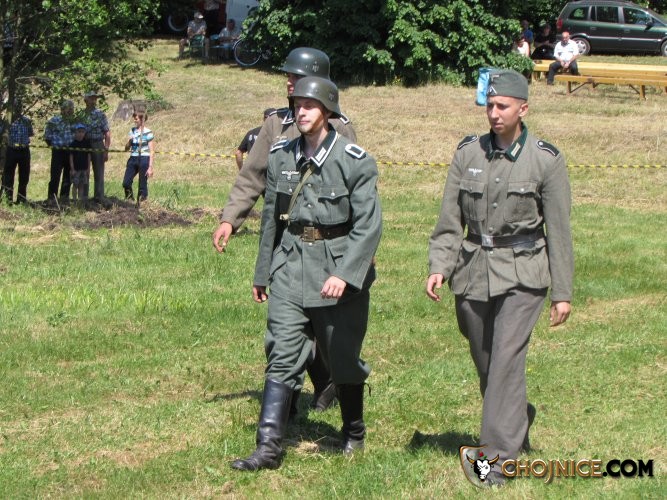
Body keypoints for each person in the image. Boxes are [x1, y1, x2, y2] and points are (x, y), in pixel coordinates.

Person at [426, 69, 573, 487]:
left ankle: (495, 460)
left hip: (524, 271)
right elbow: (449, 220)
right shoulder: (468, 153)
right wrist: (439, 266)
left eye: (502, 106)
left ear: (523, 109)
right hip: (473, 268)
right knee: (487, 359)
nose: (494, 113)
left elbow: (559, 231)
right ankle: (516, 417)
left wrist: (562, 292)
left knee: (506, 359)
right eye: (489, 105)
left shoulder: (545, 159)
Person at [231, 76, 382, 471]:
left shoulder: (354, 160)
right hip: (289, 265)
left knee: (342, 357)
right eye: (297, 104)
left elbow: (369, 226)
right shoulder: (281, 155)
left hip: (336, 268)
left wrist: (345, 274)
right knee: (281, 352)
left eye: (310, 105)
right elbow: (271, 218)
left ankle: (353, 431)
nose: (301, 111)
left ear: (327, 111)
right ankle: (268, 448)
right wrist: (263, 272)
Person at [212, 47, 358, 413]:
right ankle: (287, 405)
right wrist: (230, 218)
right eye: (288, 77)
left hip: (327, 244)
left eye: (297, 77)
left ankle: (329, 382)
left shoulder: (340, 127)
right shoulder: (275, 124)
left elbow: (353, 191)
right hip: (286, 241)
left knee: (323, 327)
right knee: (284, 325)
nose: (289, 83)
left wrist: (357, 252)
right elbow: (252, 177)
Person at [1, 105, 33, 204]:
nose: (18, 110)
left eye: (19, 108)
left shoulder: (26, 120)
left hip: (24, 150)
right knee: (8, 175)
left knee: (24, 176)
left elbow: (30, 133)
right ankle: (8, 199)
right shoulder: (7, 121)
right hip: (11, 150)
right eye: (16, 108)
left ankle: (21, 199)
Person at [44, 99, 75, 202]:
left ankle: (64, 198)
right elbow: (47, 137)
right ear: (62, 110)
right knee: (55, 175)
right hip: (58, 151)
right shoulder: (53, 121)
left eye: (71, 109)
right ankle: (52, 197)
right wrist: (53, 146)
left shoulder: (74, 122)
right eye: (68, 109)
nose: (70, 111)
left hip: (70, 152)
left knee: (68, 176)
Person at [82, 91, 111, 201]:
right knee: (84, 170)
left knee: (99, 170)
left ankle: (99, 196)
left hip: (98, 143)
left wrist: (106, 150)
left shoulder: (100, 114)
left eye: (95, 98)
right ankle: (84, 196)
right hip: (84, 143)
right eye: (91, 98)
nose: (93, 100)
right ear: (86, 100)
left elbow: (107, 132)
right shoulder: (81, 115)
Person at [122, 107, 155, 201]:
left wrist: (150, 167)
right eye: (134, 118)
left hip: (144, 158)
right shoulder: (132, 131)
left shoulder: (148, 132)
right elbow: (126, 148)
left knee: (142, 184)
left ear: (142, 119)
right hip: (133, 158)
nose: (134, 120)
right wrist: (130, 141)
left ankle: (142, 202)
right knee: (126, 183)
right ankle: (129, 199)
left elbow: (152, 151)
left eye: (136, 118)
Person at [69, 124, 91, 202]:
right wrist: (72, 169)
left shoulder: (86, 144)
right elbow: (71, 157)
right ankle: (74, 200)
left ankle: (80, 200)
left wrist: (88, 168)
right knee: (75, 185)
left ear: (85, 133)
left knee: (81, 185)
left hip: (84, 168)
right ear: (75, 132)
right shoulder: (73, 144)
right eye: (79, 132)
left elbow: (88, 156)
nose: (81, 134)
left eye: (82, 132)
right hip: (76, 169)